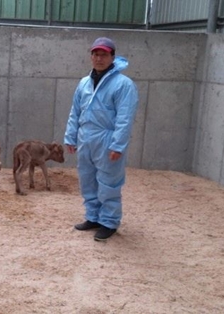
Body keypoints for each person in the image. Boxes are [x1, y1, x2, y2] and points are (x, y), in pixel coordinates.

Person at [64, 37, 139, 242]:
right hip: (85, 137)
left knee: (108, 182)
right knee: (87, 180)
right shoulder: (84, 83)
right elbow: (75, 112)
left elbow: (125, 118)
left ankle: (109, 221)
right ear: (91, 57)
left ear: (112, 57)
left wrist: (118, 145)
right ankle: (93, 216)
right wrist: (71, 137)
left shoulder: (124, 85)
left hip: (107, 139)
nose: (99, 58)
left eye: (104, 54)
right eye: (95, 54)